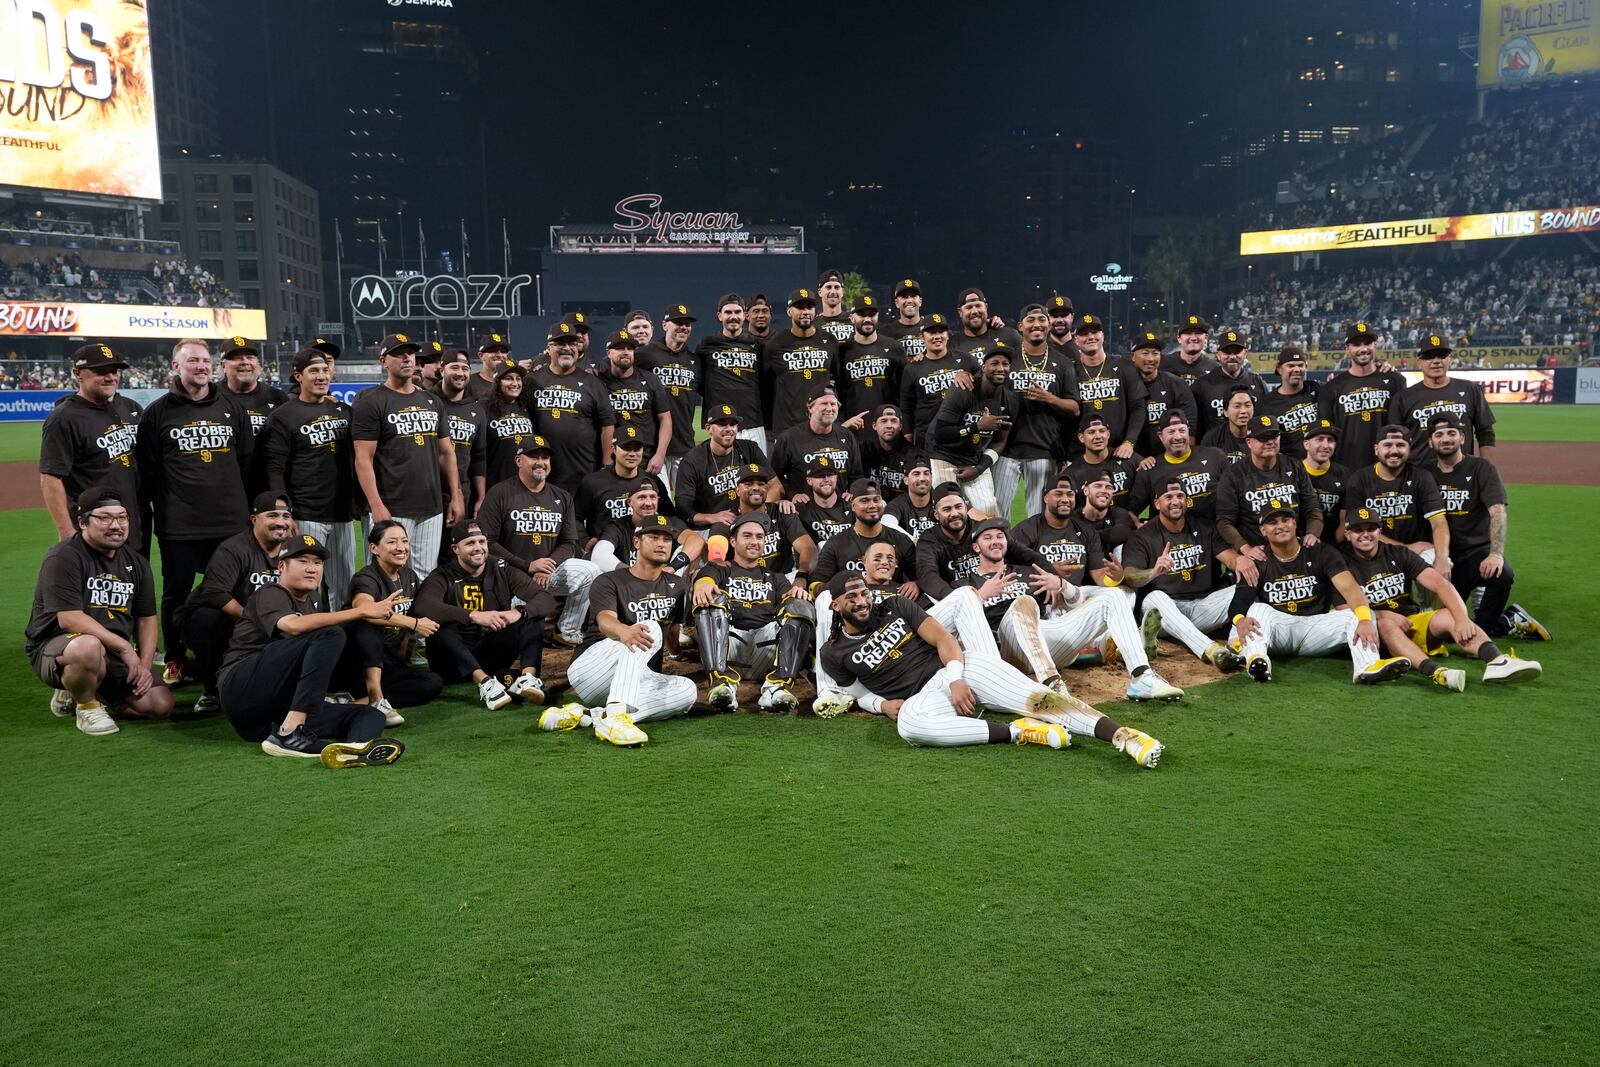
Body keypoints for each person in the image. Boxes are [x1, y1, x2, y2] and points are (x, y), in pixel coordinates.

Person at [819, 575, 1163, 767]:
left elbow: (944, 640)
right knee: (910, 726)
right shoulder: (833, 652)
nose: (862, 601)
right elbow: (855, 690)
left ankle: (1124, 736)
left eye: (864, 592)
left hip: (963, 669)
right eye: (852, 597)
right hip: (922, 696)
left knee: (1040, 700)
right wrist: (881, 706)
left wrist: (955, 679)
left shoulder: (894, 605)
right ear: (835, 604)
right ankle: (1017, 732)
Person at [217, 534, 401, 763]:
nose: (312, 568)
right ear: (282, 566)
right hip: (242, 688)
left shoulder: (313, 602)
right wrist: (362, 611)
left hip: (270, 717)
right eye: (303, 561)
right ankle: (290, 733)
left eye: (317, 562)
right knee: (331, 633)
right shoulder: (270, 592)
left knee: (371, 714)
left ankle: (352, 751)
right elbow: (292, 626)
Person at [136, 337, 254, 685]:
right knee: (176, 593)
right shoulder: (157, 413)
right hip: (181, 525)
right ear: (176, 367)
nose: (201, 366)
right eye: (192, 361)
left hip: (230, 523)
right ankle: (174, 656)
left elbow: (246, 462)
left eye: (205, 361)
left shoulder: (232, 408)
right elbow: (148, 470)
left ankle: (237, 650)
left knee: (238, 590)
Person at [965, 518, 1184, 701]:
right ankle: (1052, 684)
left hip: (1045, 640)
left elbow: (1076, 602)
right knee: (1020, 606)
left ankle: (1141, 677)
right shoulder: (967, 584)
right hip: (1008, 649)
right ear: (976, 547)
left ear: (1007, 542)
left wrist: (1062, 585)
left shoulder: (1028, 572)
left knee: (1114, 595)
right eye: (988, 537)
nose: (995, 541)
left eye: (1000, 536)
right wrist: (981, 595)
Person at [1339, 506, 1540, 689]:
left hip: (1411, 622)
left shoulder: (1398, 553)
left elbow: (1440, 583)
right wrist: (1382, 615)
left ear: (1379, 531)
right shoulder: (1340, 563)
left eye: (1371, 529)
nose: (1365, 535)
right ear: (1347, 534)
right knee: (1386, 626)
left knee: (1448, 615)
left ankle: (1497, 661)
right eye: (1358, 530)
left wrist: (1461, 619)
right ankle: (1436, 672)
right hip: (1375, 633)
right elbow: (1341, 609)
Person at [27, 486, 172, 736]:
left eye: (122, 517)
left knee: (160, 706)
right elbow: (69, 618)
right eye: (104, 518)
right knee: (88, 647)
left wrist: (144, 667)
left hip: (110, 653)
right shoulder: (64, 557)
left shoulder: (136, 563)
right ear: (82, 522)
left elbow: (147, 619)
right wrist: (125, 647)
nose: (116, 525)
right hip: (56, 647)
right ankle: (87, 706)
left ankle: (90, 688)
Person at [1224, 504, 1410, 685]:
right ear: (1263, 530)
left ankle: (1368, 666)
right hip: (1277, 631)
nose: (1280, 526)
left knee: (1361, 612)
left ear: (1295, 523)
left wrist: (1364, 620)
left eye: (1285, 520)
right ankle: (1257, 660)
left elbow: (1350, 589)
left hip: (1316, 629)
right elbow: (1240, 601)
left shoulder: (1321, 552)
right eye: (1272, 522)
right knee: (1257, 609)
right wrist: (1240, 620)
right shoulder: (1256, 560)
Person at [561, 515, 697, 746]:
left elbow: (672, 630)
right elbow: (605, 620)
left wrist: (675, 653)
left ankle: (593, 716)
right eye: (653, 537)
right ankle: (615, 715)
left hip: (634, 679)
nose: (662, 544)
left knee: (687, 690)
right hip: (592, 668)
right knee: (650, 625)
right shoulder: (609, 580)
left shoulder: (677, 586)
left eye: (667, 539)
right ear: (636, 542)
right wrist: (623, 631)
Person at [1422, 413, 1549, 641]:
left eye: (1452, 433)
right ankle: (1507, 620)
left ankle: (1488, 627)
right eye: (1439, 435)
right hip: (1442, 556)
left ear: (1462, 438)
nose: (1446, 439)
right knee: (1442, 632)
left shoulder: (1481, 468)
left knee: (1502, 574)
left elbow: (1498, 511)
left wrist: (1496, 555)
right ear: (1431, 442)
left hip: (1474, 553)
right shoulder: (1424, 473)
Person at [352, 332, 463, 580]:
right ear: (384, 361)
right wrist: (376, 505)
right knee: (387, 576)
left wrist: (455, 495)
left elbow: (446, 453)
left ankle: (419, 620)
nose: (407, 359)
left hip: (431, 506)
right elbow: (363, 459)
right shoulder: (372, 402)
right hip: (392, 505)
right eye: (398, 354)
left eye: (410, 353)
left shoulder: (432, 401)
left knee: (425, 577)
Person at [474, 436, 599, 647]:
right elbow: (488, 543)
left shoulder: (562, 497)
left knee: (590, 571)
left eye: (545, 457)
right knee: (513, 637)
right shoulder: (499, 493)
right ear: (518, 460)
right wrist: (528, 566)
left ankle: (567, 631)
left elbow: (569, 542)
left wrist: (546, 566)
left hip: (547, 574)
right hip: (509, 577)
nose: (540, 462)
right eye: (533, 457)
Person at [415, 520, 553, 710]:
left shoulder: (501, 568)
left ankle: (528, 679)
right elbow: (422, 606)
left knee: (531, 614)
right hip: (453, 661)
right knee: (439, 625)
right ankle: (485, 683)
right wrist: (472, 615)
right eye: (470, 543)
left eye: (482, 541)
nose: (478, 548)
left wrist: (516, 612)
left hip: (491, 651)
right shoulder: (442, 575)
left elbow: (545, 598)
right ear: (456, 548)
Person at [259, 347, 359, 609]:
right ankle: (302, 638)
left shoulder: (345, 412)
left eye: (325, 370)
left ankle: (341, 640)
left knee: (344, 584)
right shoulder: (284, 416)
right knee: (304, 585)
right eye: (313, 371)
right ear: (298, 376)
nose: (321, 376)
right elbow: (274, 468)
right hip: (305, 513)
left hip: (342, 514)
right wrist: (285, 513)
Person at [180, 491, 294, 714]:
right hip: (228, 618)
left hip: (269, 620)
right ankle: (212, 690)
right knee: (207, 620)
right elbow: (215, 593)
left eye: (286, 516)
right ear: (254, 520)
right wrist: (254, 621)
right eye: (272, 515)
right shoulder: (234, 549)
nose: (281, 522)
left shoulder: (295, 550)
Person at [692, 512, 816, 712]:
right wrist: (702, 585)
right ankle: (721, 683)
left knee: (800, 604)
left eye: (759, 537)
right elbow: (706, 578)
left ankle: (778, 687)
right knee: (711, 598)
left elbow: (791, 607)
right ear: (733, 541)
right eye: (747, 536)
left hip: (766, 652)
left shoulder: (776, 578)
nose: (754, 541)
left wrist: (797, 594)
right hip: (728, 647)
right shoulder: (722, 568)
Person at [1120, 477, 1247, 671]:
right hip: (1166, 614)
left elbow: (1228, 557)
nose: (1175, 501)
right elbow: (1130, 576)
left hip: (1203, 607)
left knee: (1248, 588)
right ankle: (1212, 650)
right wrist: (1153, 572)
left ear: (1186, 500)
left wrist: (1240, 561)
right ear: (1157, 503)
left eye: (1180, 496)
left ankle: (1236, 645)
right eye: (1168, 496)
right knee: (1154, 598)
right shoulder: (1143, 536)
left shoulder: (1203, 527)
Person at [340, 519, 444, 727]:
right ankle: (377, 697)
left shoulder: (409, 576)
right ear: (374, 548)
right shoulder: (366, 577)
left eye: (404, 541)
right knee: (369, 624)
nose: (401, 547)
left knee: (433, 683)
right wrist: (413, 623)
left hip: (388, 662)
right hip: (356, 660)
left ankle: (355, 704)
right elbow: (365, 610)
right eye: (392, 542)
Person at [39, 343, 143, 547]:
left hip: (127, 523)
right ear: (77, 374)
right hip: (94, 529)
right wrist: (66, 531)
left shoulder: (118, 408)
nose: (110, 377)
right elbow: (50, 477)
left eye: (114, 371)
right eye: (100, 371)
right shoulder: (64, 418)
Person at [996, 305, 1080, 518]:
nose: (1037, 324)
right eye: (1030, 319)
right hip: (1006, 449)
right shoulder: (1008, 358)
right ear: (1020, 326)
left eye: (1042, 319)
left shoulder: (1062, 362)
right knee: (997, 514)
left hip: (1044, 449)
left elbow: (1075, 408)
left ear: (1049, 325)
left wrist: (1050, 398)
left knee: (1038, 516)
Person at [915, 482, 1051, 600]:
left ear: (966, 508)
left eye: (958, 507)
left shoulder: (984, 531)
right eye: (947, 509)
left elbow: (1027, 556)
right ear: (936, 515)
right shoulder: (929, 541)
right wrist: (961, 601)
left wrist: (1053, 578)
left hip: (995, 591)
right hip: (958, 596)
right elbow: (927, 576)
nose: (954, 513)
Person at [1342, 425, 1449, 571]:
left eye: (1400, 445)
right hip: (1375, 550)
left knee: (1442, 562)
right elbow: (1360, 531)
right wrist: (1406, 548)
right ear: (1376, 449)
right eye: (1387, 445)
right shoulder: (1359, 480)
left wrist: (1442, 558)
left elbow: (1439, 522)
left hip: (1418, 551)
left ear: (1409, 449)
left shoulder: (1422, 477)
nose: (1394, 451)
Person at [928, 344, 1018, 518]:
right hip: (943, 456)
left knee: (989, 514)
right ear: (983, 367)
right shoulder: (963, 389)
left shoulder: (1010, 401)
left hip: (974, 460)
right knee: (948, 510)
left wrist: (979, 468)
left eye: (1005, 364)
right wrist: (976, 427)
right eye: (995, 363)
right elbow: (941, 435)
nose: (1000, 368)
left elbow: (1000, 442)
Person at [524, 323, 615, 493]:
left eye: (572, 344)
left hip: (583, 471)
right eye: (560, 344)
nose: (567, 348)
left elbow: (607, 424)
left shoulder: (593, 383)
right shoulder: (532, 380)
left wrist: (607, 463)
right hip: (541, 471)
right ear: (548, 348)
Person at [1214, 415, 1324, 555]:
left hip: (1294, 547)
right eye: (1263, 438)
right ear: (1249, 442)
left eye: (1274, 436)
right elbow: (1224, 521)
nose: (1270, 442)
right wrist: (1246, 549)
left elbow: (1312, 507)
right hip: (1258, 551)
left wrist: (1313, 533)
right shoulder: (1233, 475)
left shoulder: (1294, 466)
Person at [1318, 321, 1406, 469]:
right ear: (1347, 348)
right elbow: (1326, 433)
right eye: (1357, 344)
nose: (1363, 349)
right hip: (1346, 467)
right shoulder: (1332, 388)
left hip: (1389, 465)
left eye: (1368, 343)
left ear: (1375, 345)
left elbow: (1403, 426)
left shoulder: (1394, 380)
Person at [1398, 334, 1496, 464]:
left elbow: (1485, 432)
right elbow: (1397, 440)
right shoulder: (1404, 397)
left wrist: (1487, 468)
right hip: (1420, 477)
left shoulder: (1470, 389)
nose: (1436, 361)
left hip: (1461, 474)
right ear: (1419, 363)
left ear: (1450, 360)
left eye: (1442, 355)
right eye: (1429, 356)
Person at [705, 464, 817, 577]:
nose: (755, 487)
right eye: (748, 484)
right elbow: (716, 549)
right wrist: (717, 560)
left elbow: (808, 547)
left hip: (784, 580)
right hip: (743, 583)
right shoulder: (727, 518)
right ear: (737, 491)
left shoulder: (782, 512)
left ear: (767, 489)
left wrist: (801, 576)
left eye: (761, 484)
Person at [674, 405, 773, 528]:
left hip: (748, 522)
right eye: (722, 424)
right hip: (708, 528)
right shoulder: (692, 461)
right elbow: (683, 509)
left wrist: (757, 512)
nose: (728, 429)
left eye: (733, 424)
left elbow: (775, 485)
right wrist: (711, 517)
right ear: (708, 429)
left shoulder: (750, 449)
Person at [811, 478, 918, 587]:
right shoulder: (836, 543)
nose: (872, 505)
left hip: (894, 601)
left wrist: (916, 584)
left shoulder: (901, 540)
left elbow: (920, 576)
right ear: (853, 506)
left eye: (876, 500)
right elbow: (816, 583)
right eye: (864, 501)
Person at [640, 303, 703, 486]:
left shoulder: (694, 361)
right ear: (665, 324)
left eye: (687, 324)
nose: (684, 327)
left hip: (684, 442)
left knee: (687, 499)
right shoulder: (646, 354)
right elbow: (620, 366)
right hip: (653, 445)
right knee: (660, 501)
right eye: (678, 323)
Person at [762, 288, 840, 432]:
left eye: (809, 307)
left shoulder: (829, 340)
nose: (805, 312)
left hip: (821, 423)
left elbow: (837, 378)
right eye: (799, 307)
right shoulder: (774, 345)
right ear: (789, 311)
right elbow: (766, 387)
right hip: (787, 426)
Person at [575, 426, 671, 541]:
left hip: (642, 550)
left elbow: (670, 516)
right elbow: (575, 518)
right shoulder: (592, 482)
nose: (632, 453)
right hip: (604, 550)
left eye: (637, 449)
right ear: (614, 449)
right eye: (626, 448)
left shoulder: (652, 481)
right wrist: (585, 541)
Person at [693, 299, 765, 451]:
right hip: (719, 424)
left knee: (757, 472)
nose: (733, 316)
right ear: (719, 316)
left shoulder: (756, 344)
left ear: (745, 315)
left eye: (737, 312)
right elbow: (699, 381)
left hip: (752, 423)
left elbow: (765, 380)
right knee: (723, 473)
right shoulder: (707, 344)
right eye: (728, 312)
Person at [1128, 410, 1227, 522]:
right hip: (1174, 536)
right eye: (1171, 432)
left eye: (1182, 430)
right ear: (1160, 436)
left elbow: (1234, 493)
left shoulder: (1215, 456)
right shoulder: (1149, 469)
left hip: (1215, 531)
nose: (1178, 436)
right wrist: (1138, 525)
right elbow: (1131, 512)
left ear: (1188, 431)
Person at [597, 328, 672, 475]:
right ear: (608, 353)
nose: (625, 352)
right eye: (619, 348)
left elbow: (665, 419)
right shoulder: (599, 381)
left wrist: (660, 455)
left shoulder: (650, 379)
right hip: (614, 457)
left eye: (630, 348)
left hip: (648, 457)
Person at [1071, 314, 1146, 459]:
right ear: (1076, 340)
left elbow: (1138, 408)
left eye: (1095, 332)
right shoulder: (1070, 370)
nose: (1091, 337)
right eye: (1084, 334)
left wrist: (1129, 442)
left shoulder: (1123, 366)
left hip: (1119, 451)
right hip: (1080, 455)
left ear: (1103, 336)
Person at [590, 478, 704, 574]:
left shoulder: (670, 522)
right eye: (642, 497)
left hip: (666, 581)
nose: (649, 503)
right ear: (629, 502)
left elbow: (696, 541)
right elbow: (599, 554)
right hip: (627, 585)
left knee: (688, 552)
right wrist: (632, 573)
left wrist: (672, 568)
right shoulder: (618, 526)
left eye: (653, 497)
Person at [767, 389, 860, 501]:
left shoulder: (847, 436)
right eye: (824, 403)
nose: (829, 408)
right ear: (810, 408)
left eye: (833, 404)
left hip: (840, 507)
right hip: (804, 508)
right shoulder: (789, 438)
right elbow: (775, 475)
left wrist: (853, 492)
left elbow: (857, 474)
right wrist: (792, 494)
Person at [899, 313, 970, 448]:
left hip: (959, 434)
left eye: (941, 331)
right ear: (922, 338)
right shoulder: (912, 368)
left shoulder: (966, 360)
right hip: (926, 437)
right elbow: (906, 407)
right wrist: (907, 435)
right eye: (931, 332)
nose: (937, 336)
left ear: (948, 335)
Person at [835, 292, 905, 428]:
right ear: (851, 318)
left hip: (888, 427)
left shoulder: (894, 347)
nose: (867, 319)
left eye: (871, 314)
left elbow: (905, 391)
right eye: (862, 315)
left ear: (877, 316)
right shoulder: (841, 351)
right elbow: (837, 391)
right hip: (854, 424)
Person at [434, 348, 488, 517]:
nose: (460, 373)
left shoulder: (477, 410)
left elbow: (479, 457)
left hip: (463, 491)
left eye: (465, 369)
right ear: (442, 370)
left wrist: (481, 497)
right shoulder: (427, 401)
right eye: (454, 368)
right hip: (429, 489)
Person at [1127, 329, 1195, 459]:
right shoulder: (1124, 385)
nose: (1151, 359)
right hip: (1134, 458)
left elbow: (1190, 426)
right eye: (1145, 353)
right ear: (1133, 357)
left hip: (1170, 457)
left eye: (1155, 353)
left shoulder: (1176, 384)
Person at [1191, 328, 1264, 438]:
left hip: (1251, 450)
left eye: (1237, 351)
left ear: (1245, 354)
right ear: (1218, 355)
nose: (1232, 356)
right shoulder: (1202, 385)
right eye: (1227, 352)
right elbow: (1193, 424)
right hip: (1215, 449)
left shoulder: (1258, 382)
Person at [218, 335, 287, 439]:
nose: (245, 362)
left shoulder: (278, 398)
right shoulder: (210, 396)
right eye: (237, 358)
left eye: (250, 357)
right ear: (223, 366)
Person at [1258, 345, 1320, 459]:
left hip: (1323, 464)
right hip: (1293, 470)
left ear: (1306, 367)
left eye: (1301, 365)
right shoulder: (1266, 404)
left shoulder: (1318, 390)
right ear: (1279, 368)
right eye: (1290, 365)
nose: (1297, 369)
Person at [1065, 414, 1137, 511]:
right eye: (1091, 432)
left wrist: (1147, 462)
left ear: (1108, 434)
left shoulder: (1126, 457)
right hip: (1091, 524)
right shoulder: (1072, 474)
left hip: (1126, 522)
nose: (1098, 436)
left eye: (1102, 431)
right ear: (1081, 437)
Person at [481, 360, 534, 487]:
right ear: (497, 382)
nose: (515, 383)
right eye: (509, 378)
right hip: (495, 483)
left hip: (525, 483)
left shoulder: (526, 407)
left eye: (518, 379)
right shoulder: (483, 408)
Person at [949, 287, 1023, 363]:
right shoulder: (951, 345)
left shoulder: (1009, 336)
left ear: (986, 307)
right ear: (960, 312)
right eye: (969, 307)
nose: (974, 311)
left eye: (978, 306)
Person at [857, 404, 915, 499]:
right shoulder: (865, 449)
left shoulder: (912, 454)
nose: (889, 426)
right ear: (874, 426)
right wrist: (845, 427)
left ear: (900, 426)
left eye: (893, 421)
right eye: (883, 421)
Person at [1300, 418, 1348, 529]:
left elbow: (1345, 520)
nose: (1326, 445)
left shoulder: (1345, 474)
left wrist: (1335, 544)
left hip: (1334, 542)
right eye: (1320, 439)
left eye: (1330, 440)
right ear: (1307, 444)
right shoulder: (1293, 472)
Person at [795, 458, 853, 547]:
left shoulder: (851, 505)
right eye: (820, 475)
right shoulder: (802, 509)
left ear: (836, 478)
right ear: (809, 481)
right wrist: (781, 502)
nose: (826, 479)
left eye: (830, 475)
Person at [1199, 383, 1255, 465]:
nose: (1243, 411)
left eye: (1247, 405)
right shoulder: (1212, 438)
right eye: (1237, 406)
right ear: (1225, 412)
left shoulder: (1261, 436)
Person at [885, 454, 937, 539]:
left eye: (926, 473)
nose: (922, 478)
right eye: (916, 474)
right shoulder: (897, 504)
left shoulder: (941, 500)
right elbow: (886, 522)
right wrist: (912, 540)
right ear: (906, 480)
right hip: (910, 550)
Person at [1162, 314, 1218, 388]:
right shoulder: (1162, 364)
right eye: (1188, 333)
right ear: (1179, 338)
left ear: (1206, 338)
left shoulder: (1215, 369)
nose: (1193, 338)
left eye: (1198, 333)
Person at [880, 279, 926, 360]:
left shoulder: (932, 329)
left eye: (913, 296)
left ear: (920, 301)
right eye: (904, 297)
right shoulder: (884, 334)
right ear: (897, 303)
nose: (909, 300)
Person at [814, 269, 854, 343]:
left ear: (842, 292)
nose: (833, 291)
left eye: (836, 287)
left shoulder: (854, 320)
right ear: (820, 292)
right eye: (828, 287)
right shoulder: (813, 325)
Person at [467, 333, 512, 399]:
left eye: (503, 351)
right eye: (493, 351)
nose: (500, 355)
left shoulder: (513, 384)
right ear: (481, 356)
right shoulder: (469, 383)